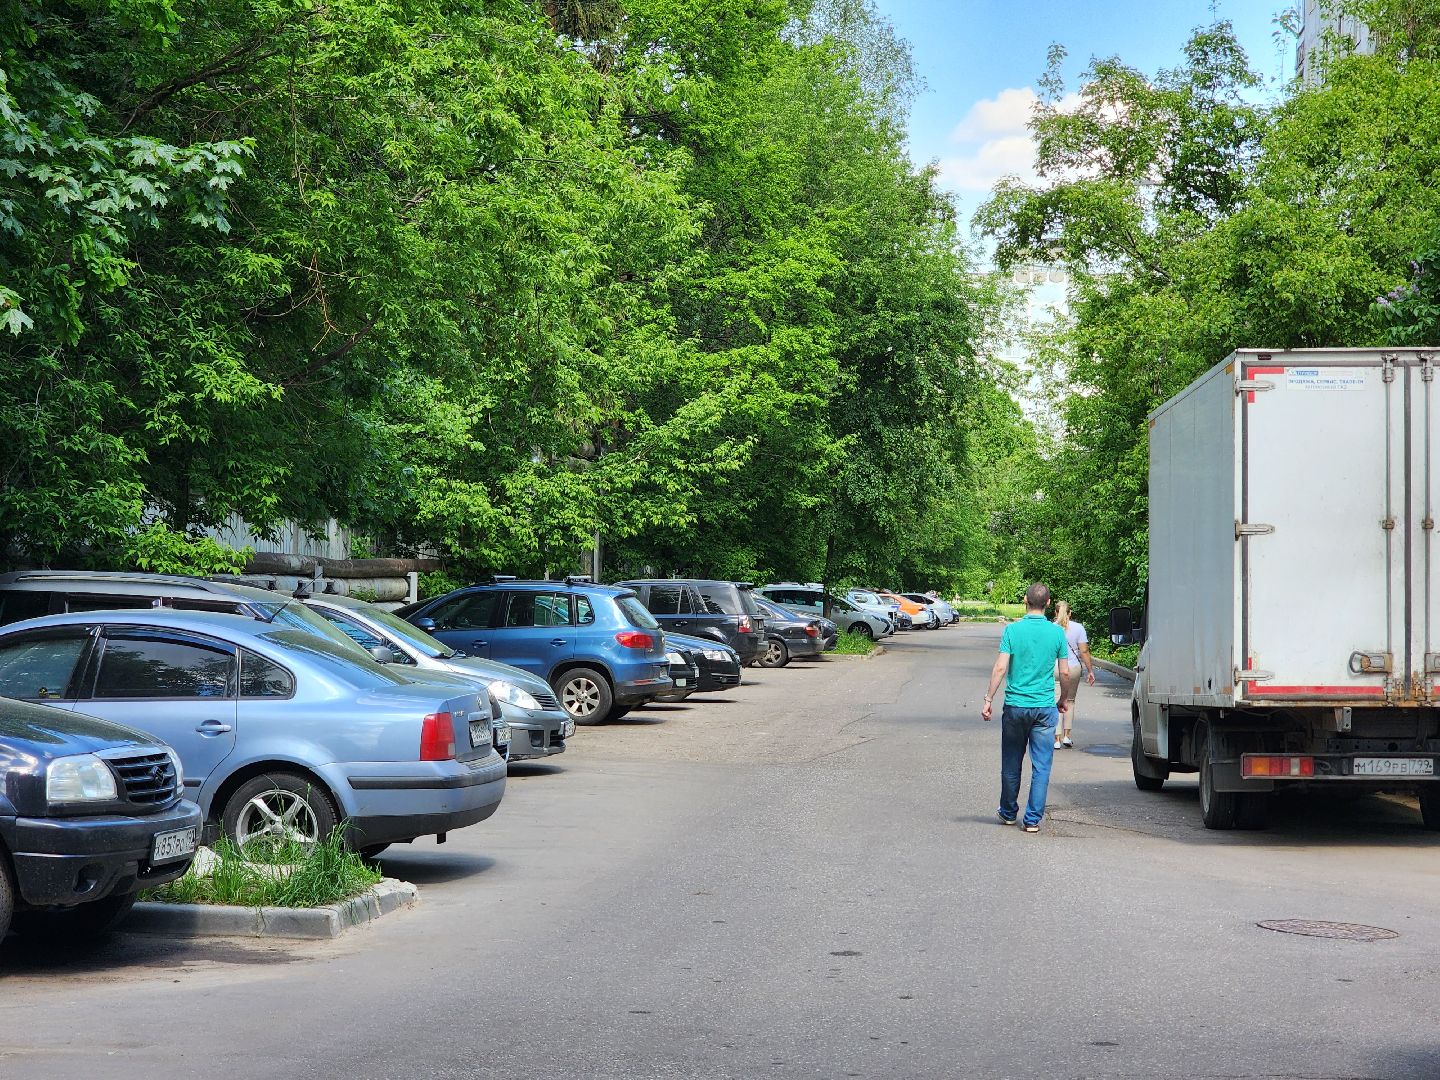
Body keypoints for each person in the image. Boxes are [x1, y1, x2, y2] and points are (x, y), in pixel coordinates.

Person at [981, 582, 1069, 833]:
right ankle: (1032, 820)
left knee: (1011, 762)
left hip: (1016, 706)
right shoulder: (1056, 634)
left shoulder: (1012, 631)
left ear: (1024, 601)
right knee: (1041, 766)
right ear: (1048, 603)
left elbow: (1000, 668)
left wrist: (988, 699)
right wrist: (1063, 698)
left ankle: (1008, 812)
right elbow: (1064, 671)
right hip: (1043, 708)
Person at [1053, 600, 1096, 749]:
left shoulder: (1050, 628)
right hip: (1073, 668)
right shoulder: (1078, 628)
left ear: (1055, 613)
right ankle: (1067, 736)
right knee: (1069, 701)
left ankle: (1056, 739)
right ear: (1070, 613)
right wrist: (1090, 671)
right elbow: (1083, 651)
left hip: (1055, 668)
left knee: (1056, 702)